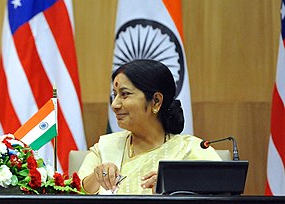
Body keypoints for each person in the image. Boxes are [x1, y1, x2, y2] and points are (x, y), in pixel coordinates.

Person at [78, 59, 222, 195]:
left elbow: (223, 190)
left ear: (156, 101)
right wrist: (97, 178)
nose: (114, 105)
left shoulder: (192, 150)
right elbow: (73, 192)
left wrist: (174, 185)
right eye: (115, 95)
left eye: (125, 94)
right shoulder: (105, 148)